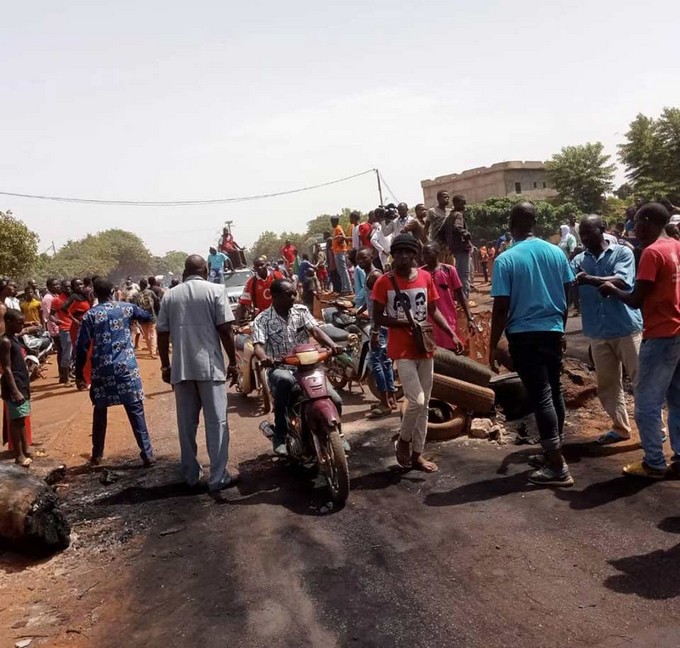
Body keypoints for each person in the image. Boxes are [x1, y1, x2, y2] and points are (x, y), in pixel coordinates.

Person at [490, 202, 574, 487]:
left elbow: (500, 308)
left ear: (511, 223)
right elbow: (566, 293)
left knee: (541, 395)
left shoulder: (505, 259)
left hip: (524, 335)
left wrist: (492, 345)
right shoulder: (556, 252)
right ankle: (554, 453)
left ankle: (557, 467)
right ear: (535, 222)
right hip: (552, 331)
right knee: (555, 390)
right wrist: (560, 329)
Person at [600, 203, 680, 478]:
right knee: (678, 399)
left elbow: (635, 300)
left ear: (647, 221)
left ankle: (654, 463)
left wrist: (612, 289)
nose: (634, 228)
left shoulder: (652, 253)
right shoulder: (676, 246)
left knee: (646, 402)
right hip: (678, 332)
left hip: (660, 335)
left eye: (636, 222)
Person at [373, 234, 458, 473]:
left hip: (425, 347)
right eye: (397, 252)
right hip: (402, 349)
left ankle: (417, 455)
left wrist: (451, 334)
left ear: (413, 255)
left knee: (425, 404)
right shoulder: (384, 282)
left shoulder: (424, 277)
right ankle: (403, 440)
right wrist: (401, 322)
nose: (401, 256)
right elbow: (377, 317)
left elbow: (433, 310)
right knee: (416, 400)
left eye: (406, 252)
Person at [157, 255, 238, 492]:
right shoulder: (216, 290)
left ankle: (191, 475)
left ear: (184, 272)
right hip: (210, 367)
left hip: (181, 368)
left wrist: (165, 365)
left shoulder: (170, 295)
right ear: (205, 271)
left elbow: (162, 333)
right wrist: (233, 361)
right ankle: (218, 477)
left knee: (186, 425)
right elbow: (225, 329)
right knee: (217, 423)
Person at [252, 279, 345, 456]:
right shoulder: (262, 320)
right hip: (281, 368)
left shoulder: (301, 311)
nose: (294, 297)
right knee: (286, 381)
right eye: (289, 294)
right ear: (275, 296)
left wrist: (332, 345)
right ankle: (280, 435)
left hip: (308, 367)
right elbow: (258, 346)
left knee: (336, 399)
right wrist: (265, 358)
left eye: (295, 293)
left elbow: (316, 331)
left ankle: (338, 434)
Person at [572, 215, 642, 445]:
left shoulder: (622, 253)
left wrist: (589, 279)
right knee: (608, 385)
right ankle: (621, 427)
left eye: (589, 232)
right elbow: (568, 279)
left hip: (626, 328)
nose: (584, 238)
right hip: (598, 332)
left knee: (641, 381)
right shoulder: (579, 259)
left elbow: (622, 281)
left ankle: (654, 428)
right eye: (581, 234)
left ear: (602, 229)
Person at [74, 280, 155, 466]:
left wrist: (79, 373)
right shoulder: (127, 308)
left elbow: (81, 347)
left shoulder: (90, 316)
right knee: (135, 409)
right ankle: (147, 454)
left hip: (102, 369)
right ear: (112, 291)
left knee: (100, 410)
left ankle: (97, 455)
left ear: (94, 294)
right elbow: (148, 317)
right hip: (126, 367)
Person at [355, 247, 396, 418]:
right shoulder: (371, 276)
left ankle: (385, 402)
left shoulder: (374, 276)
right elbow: (372, 298)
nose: (361, 261)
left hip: (378, 325)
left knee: (376, 362)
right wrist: (361, 309)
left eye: (364, 258)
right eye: (358, 259)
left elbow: (381, 302)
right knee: (385, 362)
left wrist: (375, 330)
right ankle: (391, 399)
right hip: (378, 323)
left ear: (372, 257)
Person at [421, 242, 471, 352]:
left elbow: (460, 294)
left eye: (427, 253)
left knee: (452, 349)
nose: (424, 257)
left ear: (437, 253)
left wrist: (469, 317)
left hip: (448, 319)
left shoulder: (449, 270)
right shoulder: (420, 273)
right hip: (427, 322)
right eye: (423, 254)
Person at [1, 309, 33, 466]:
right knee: (16, 421)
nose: (21, 326)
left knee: (22, 418)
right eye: (19, 323)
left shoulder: (13, 338)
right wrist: (14, 391)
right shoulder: (5, 341)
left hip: (21, 383)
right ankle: (19, 455)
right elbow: (6, 368)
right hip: (14, 386)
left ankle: (26, 449)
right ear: (8, 322)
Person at [442, 195, 473, 296]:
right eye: (462, 203)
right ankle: (464, 298)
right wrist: (466, 234)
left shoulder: (450, 216)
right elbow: (457, 227)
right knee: (464, 274)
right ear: (456, 204)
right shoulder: (458, 215)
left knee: (458, 274)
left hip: (454, 249)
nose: (464, 205)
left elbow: (441, 232)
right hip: (462, 249)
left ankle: (458, 297)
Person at [51, 280, 73, 385]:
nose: (68, 288)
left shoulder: (76, 298)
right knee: (66, 354)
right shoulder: (57, 300)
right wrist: (56, 321)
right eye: (66, 287)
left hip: (77, 328)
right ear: (62, 288)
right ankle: (66, 378)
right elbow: (51, 315)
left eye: (70, 286)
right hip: (65, 329)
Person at [133, 278, 161, 358]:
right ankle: (152, 352)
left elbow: (135, 307)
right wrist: (158, 313)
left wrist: (135, 318)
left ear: (140, 285)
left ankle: (151, 351)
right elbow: (157, 303)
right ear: (146, 285)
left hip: (142, 318)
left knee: (146, 335)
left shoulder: (136, 295)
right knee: (152, 334)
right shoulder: (151, 293)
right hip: (152, 316)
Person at [41, 278, 62, 367]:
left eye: (58, 284)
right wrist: (56, 330)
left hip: (60, 327)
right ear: (49, 287)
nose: (58, 286)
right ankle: (63, 374)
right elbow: (49, 316)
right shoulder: (48, 298)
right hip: (56, 329)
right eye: (55, 285)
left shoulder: (55, 296)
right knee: (61, 351)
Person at [331, 216, 352, 294]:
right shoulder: (336, 228)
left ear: (334, 222)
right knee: (341, 271)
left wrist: (337, 240)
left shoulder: (338, 228)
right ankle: (344, 288)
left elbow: (342, 238)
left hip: (340, 251)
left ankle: (348, 288)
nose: (331, 223)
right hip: (337, 252)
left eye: (332, 222)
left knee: (343, 270)